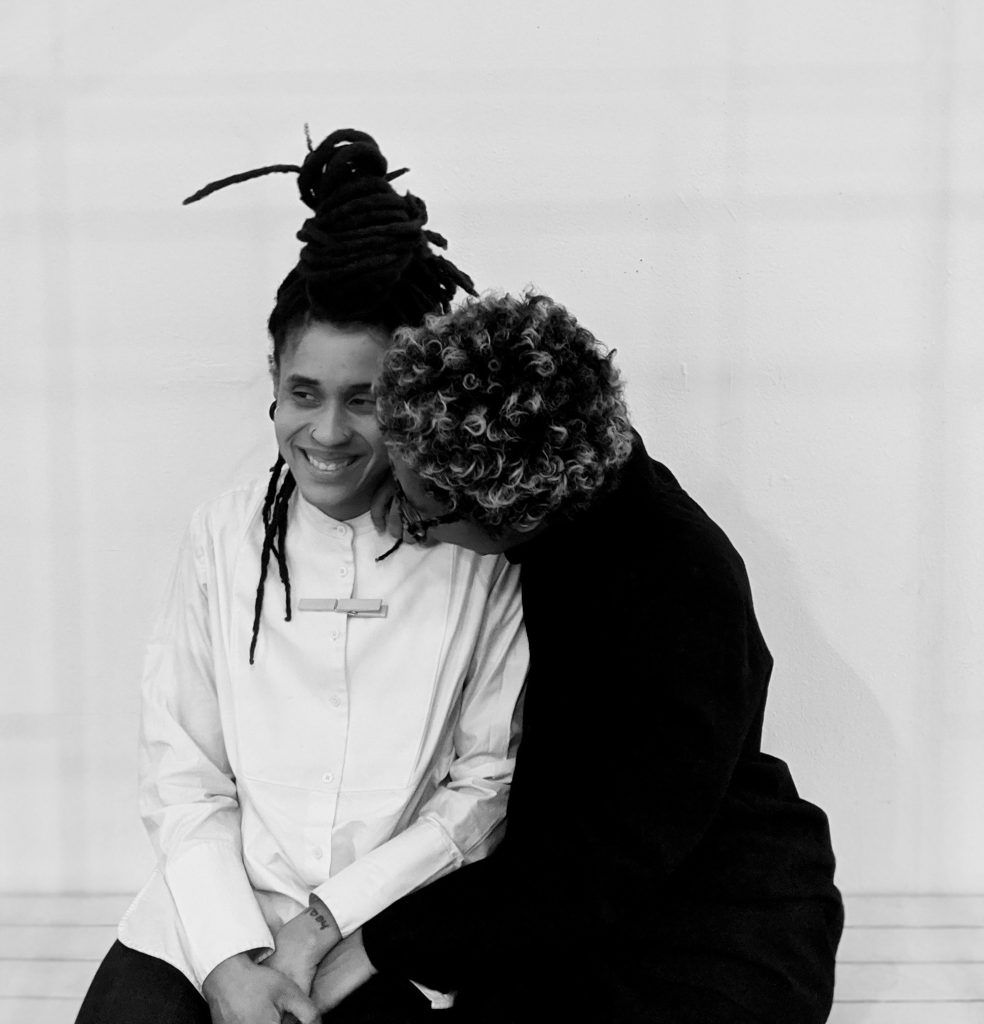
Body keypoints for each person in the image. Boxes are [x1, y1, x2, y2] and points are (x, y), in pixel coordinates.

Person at [74, 132, 528, 1024]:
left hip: (387, 930)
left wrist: (332, 925)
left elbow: (487, 788)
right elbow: (185, 775)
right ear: (273, 388)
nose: (328, 432)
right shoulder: (219, 535)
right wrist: (226, 963)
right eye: (305, 392)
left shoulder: (478, 553)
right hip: (211, 913)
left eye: (367, 398)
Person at [320, 291, 844, 1023]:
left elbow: (594, 869)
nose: (404, 517)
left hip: (711, 920)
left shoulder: (669, 596)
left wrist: (380, 942)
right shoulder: (586, 477)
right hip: (586, 884)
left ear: (505, 514)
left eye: (422, 511)